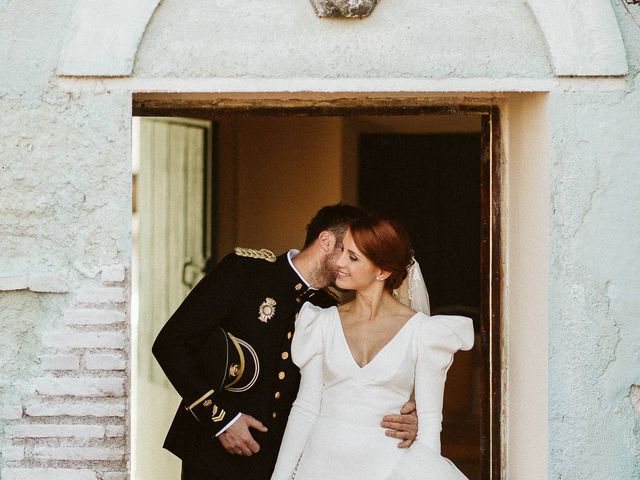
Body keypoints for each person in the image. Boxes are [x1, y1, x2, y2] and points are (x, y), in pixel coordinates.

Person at [152, 204, 419, 480]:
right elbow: (172, 343)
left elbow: (345, 390)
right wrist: (222, 420)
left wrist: (405, 418)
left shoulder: (329, 310)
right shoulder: (245, 272)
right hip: (213, 450)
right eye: (350, 252)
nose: (350, 263)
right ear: (326, 241)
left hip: (281, 461)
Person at [270, 215, 474, 480]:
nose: (340, 262)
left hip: (387, 469)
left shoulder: (424, 333)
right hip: (319, 467)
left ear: (382, 271)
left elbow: (430, 425)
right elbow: (306, 408)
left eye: (353, 258)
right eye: (342, 250)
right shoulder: (319, 322)